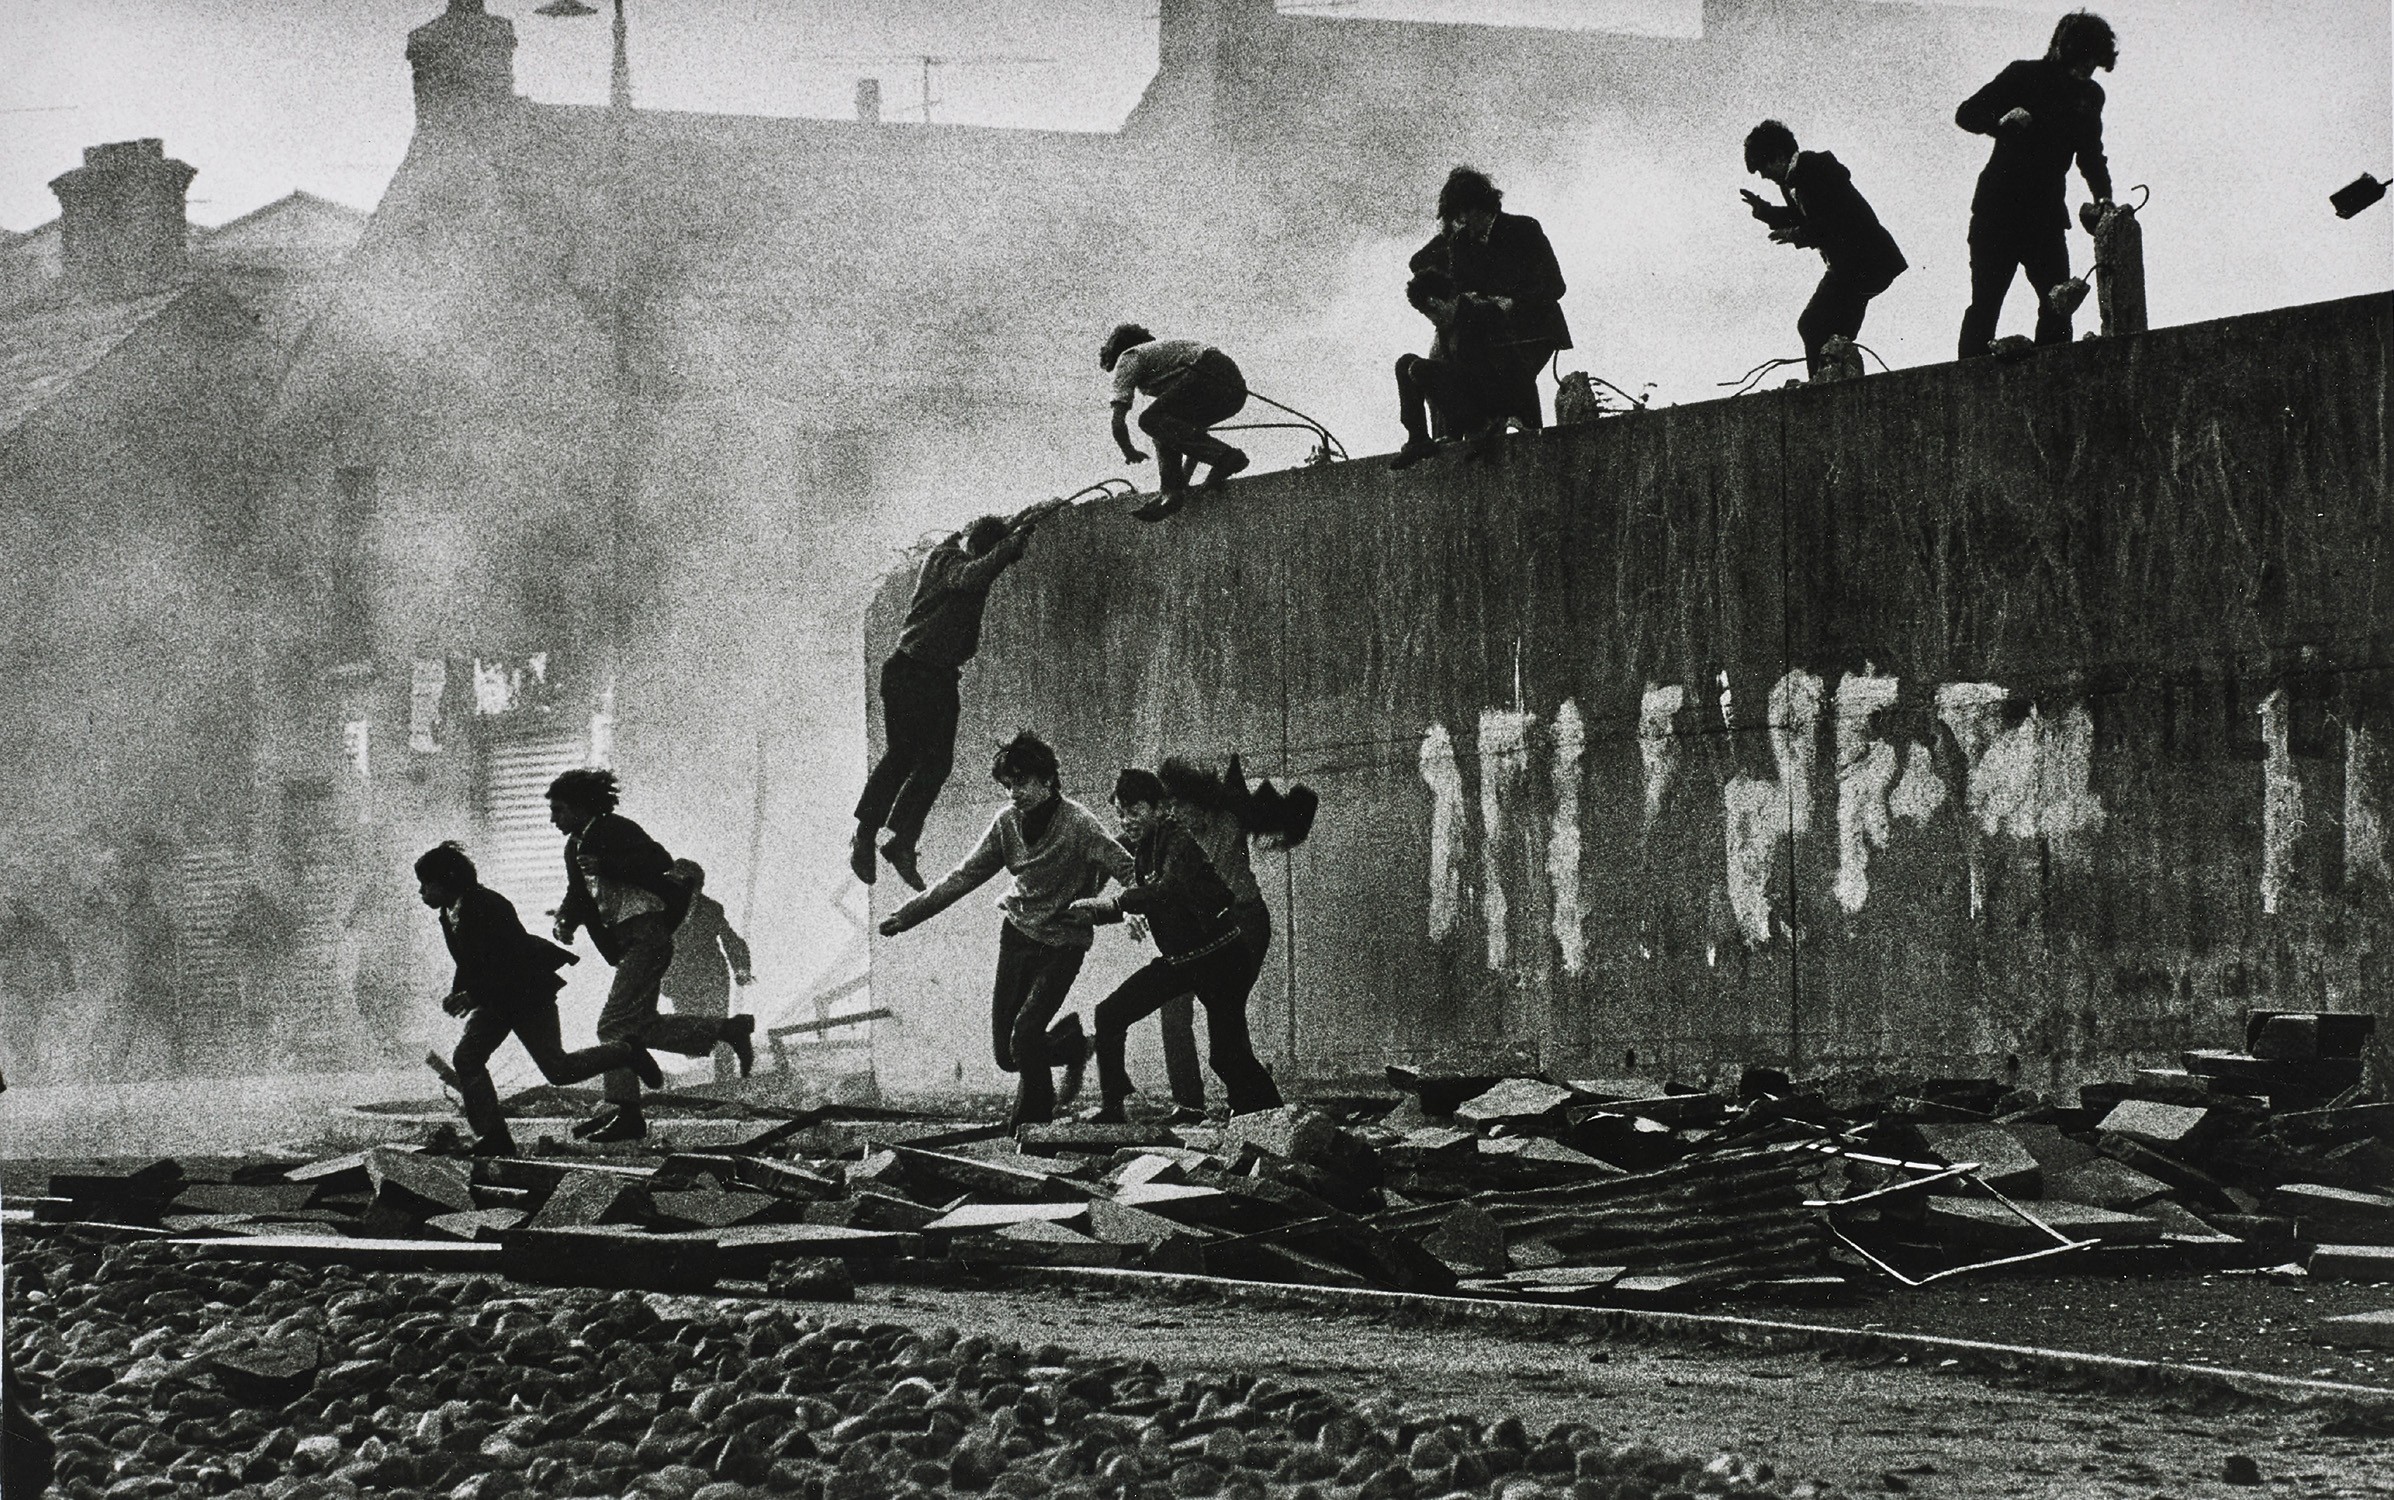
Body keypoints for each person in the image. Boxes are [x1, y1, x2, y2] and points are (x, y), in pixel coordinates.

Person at [878, 733, 1133, 1126]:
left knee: (1026, 1034)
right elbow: (964, 875)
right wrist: (909, 914)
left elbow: (1128, 869)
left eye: (1022, 782)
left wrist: (1126, 911)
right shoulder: (1006, 823)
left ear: (1048, 780)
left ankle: (1032, 1127)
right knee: (1006, 1055)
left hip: (1063, 944)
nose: (1014, 793)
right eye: (1008, 785)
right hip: (1017, 937)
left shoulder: (1080, 824)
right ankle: (1072, 1046)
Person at [853, 497, 1069, 891]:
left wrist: (1027, 519)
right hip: (910, 672)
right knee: (902, 756)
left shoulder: (973, 551)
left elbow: (991, 541)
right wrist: (1011, 541)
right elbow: (970, 575)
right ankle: (864, 837)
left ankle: (902, 841)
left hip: (940, 678)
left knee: (937, 764)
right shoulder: (945, 558)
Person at [414, 841, 661, 1156]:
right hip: (495, 999)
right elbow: (469, 961)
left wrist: (472, 995)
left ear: (447, 881)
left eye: (427, 884)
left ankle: (626, 1050)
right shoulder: (449, 912)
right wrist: (459, 992)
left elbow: (511, 960)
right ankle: (494, 1136)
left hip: (527, 994)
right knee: (467, 1058)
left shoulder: (489, 905)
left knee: (559, 1070)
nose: (422, 892)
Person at [548, 768, 753, 1142]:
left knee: (613, 1026)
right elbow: (578, 892)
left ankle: (627, 1112)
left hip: (647, 933)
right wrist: (566, 920)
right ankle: (727, 1029)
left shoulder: (615, 828)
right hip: (627, 941)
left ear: (581, 807)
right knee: (638, 1026)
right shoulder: (573, 847)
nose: (553, 819)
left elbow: (659, 860)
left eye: (559, 810)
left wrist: (608, 866)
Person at [1069, 769, 1283, 1124]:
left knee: (1226, 1055)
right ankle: (1112, 1109)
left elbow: (1168, 890)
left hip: (1220, 960)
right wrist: (1101, 910)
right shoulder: (1144, 848)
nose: (1126, 820)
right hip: (1181, 962)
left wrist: (1114, 906)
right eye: (1120, 813)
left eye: (1134, 811)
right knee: (1110, 1013)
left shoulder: (1178, 841)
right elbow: (1139, 890)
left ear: (1159, 809)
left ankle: (1274, 1118)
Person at [1953, 10, 2117, 358]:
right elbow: (1966, 113)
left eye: (2095, 61)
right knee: (1986, 304)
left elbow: (2090, 154)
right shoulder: (2023, 75)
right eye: (2085, 58)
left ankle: (2053, 379)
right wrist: (2000, 122)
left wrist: (2104, 197)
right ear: (2067, 49)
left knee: (2058, 303)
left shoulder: (2090, 96)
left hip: (2046, 217)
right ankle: (1968, 381)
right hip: (1997, 211)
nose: (2089, 68)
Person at [1741, 119, 1909, 380]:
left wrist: (1795, 235)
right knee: (1831, 333)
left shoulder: (1814, 168)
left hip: (1864, 262)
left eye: (1763, 167)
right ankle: (1837, 379)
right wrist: (1765, 211)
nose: (1764, 176)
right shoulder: (1793, 181)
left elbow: (1833, 220)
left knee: (1813, 324)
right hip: (1854, 266)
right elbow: (1802, 216)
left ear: (1779, 156)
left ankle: (1823, 389)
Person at [1407, 167, 1570, 433]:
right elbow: (1427, 267)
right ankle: (1482, 429)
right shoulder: (1461, 242)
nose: (1460, 223)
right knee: (1463, 363)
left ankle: (1524, 426)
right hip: (1491, 329)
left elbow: (1555, 286)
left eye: (1462, 214)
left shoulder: (1524, 228)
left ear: (1478, 207)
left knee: (1513, 370)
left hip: (1535, 325)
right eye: (1455, 217)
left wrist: (1513, 302)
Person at [1102, 324, 1250, 519]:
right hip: (1234, 389)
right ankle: (1171, 492)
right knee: (1164, 427)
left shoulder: (1129, 356)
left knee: (1149, 420)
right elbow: (1191, 435)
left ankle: (1225, 457)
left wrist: (1128, 451)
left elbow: (1117, 422)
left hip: (1208, 371)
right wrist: (1183, 483)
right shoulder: (1166, 361)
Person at [1391, 268, 1514, 470]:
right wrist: (1452, 434)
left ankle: (1477, 427)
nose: (1431, 320)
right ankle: (1418, 438)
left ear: (1435, 303)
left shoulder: (1480, 314)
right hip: (1469, 395)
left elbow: (1507, 366)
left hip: (1488, 403)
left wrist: (1509, 416)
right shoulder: (1447, 324)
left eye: (1428, 313)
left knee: (1420, 368)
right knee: (1405, 363)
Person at [660, 858, 756, 1082]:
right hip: (680, 980)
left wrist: (741, 968)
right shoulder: (660, 908)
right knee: (692, 1038)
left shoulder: (711, 909)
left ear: (696, 888)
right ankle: (702, 1071)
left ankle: (726, 1079)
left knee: (718, 1025)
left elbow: (731, 940)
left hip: (712, 976)